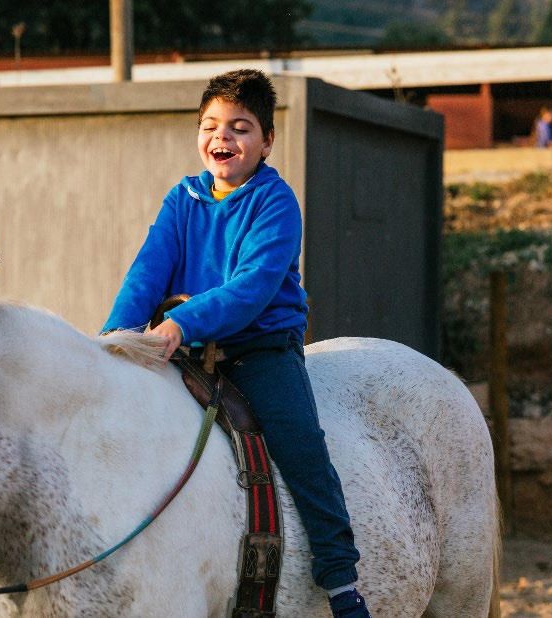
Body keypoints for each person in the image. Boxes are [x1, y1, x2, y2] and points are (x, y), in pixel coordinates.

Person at [101, 70, 371, 618]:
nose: (222, 137)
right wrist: (115, 337)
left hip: (258, 348)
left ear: (267, 142)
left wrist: (181, 323)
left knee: (301, 447)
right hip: (184, 347)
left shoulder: (276, 202)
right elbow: (146, 274)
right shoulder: (182, 198)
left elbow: (250, 288)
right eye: (210, 126)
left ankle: (341, 577)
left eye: (240, 127)